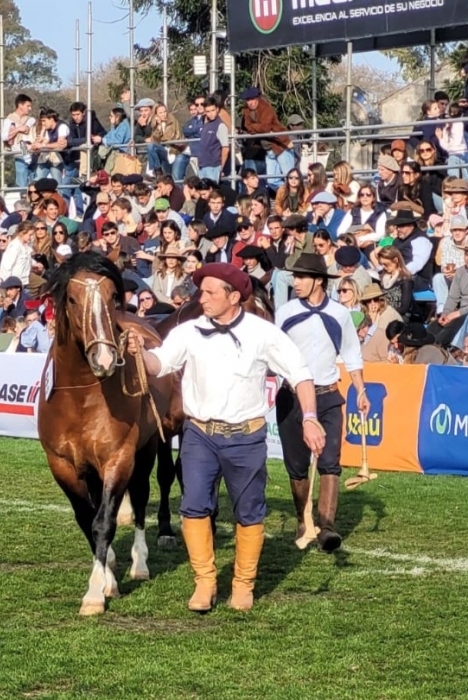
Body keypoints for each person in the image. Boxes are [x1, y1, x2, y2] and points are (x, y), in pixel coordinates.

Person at [127, 262, 324, 612]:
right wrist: (139, 353)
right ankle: (205, 582)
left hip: (246, 437)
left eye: (210, 292)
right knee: (193, 507)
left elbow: (301, 375)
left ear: (234, 297)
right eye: (201, 291)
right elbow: (159, 363)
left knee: (249, 512)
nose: (200, 298)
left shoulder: (263, 333)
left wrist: (309, 418)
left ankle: (243, 584)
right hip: (199, 434)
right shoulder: (189, 331)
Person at [275, 253, 370, 553]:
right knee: (297, 466)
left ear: (318, 281)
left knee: (330, 461)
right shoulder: (285, 312)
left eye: (301, 277)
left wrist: (361, 391)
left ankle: (327, 526)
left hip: (328, 395)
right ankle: (304, 521)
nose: (295, 282)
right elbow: (271, 352)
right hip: (291, 399)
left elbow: (352, 355)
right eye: (294, 276)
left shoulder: (340, 314)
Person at [240, 86, 294, 190]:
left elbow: (265, 127)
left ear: (257, 98)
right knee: (272, 181)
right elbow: (248, 127)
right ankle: (284, 196)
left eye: (252, 99)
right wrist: (259, 128)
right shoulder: (246, 110)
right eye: (248, 100)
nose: (250, 102)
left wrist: (256, 128)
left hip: (281, 145)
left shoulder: (266, 108)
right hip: (268, 150)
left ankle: (295, 198)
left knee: (291, 178)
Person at [428, 246, 468, 347]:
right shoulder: (461, 272)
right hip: (460, 312)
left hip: (464, 314)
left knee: (451, 329)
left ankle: (453, 351)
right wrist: (446, 313)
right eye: (466, 254)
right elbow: (453, 297)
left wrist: (457, 314)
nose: (467, 258)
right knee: (433, 328)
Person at [2, 93, 36, 188]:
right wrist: (18, 129)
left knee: (34, 179)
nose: (30, 108)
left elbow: (26, 128)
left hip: (33, 151)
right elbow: (4, 137)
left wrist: (16, 130)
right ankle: (23, 199)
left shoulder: (31, 119)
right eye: (28, 106)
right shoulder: (9, 120)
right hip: (20, 152)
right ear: (20, 105)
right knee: (22, 179)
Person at [197, 97, 229, 182]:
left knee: (211, 193)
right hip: (202, 165)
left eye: (213, 110)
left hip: (213, 167)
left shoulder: (220, 126)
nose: (211, 113)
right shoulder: (206, 125)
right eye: (208, 111)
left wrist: (221, 167)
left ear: (217, 109)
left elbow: (225, 148)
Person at [377, 246, 414, 317]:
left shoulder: (405, 280)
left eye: (386, 264)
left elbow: (404, 308)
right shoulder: (382, 277)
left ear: (396, 260)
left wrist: (385, 313)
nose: (384, 267)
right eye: (382, 264)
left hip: (399, 316)